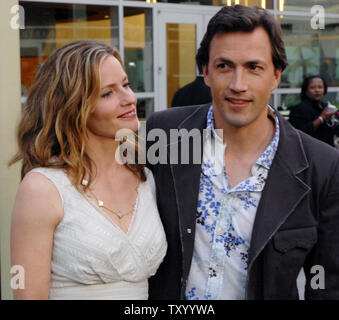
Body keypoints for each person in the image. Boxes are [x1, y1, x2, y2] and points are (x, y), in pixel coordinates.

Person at [147, 5, 339, 300]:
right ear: (206, 72)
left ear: (275, 76)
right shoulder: (168, 134)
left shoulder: (321, 165)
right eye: (224, 66)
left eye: (254, 67)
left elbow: (326, 282)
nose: (238, 85)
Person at [9, 40, 167, 300]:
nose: (129, 99)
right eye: (108, 93)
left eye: (126, 85)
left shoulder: (146, 175)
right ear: (73, 108)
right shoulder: (43, 188)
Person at [289, 75, 339, 147]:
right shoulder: (298, 109)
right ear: (306, 91)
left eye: (320, 87)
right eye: (312, 87)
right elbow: (299, 133)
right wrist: (321, 118)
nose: (317, 90)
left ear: (324, 90)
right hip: (309, 152)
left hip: (328, 151)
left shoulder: (326, 107)